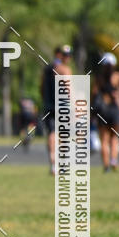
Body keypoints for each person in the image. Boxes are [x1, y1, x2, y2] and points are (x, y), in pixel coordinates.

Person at [92, 52, 119, 171]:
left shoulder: (99, 78)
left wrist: (92, 111)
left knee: (104, 139)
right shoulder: (116, 77)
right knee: (114, 138)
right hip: (114, 109)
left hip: (103, 110)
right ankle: (114, 161)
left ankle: (106, 165)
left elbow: (94, 94)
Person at [41, 44, 73, 174]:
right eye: (66, 55)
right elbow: (68, 88)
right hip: (63, 105)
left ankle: (53, 164)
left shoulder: (46, 69)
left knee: (52, 133)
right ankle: (63, 164)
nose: (68, 58)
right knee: (64, 135)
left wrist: (46, 100)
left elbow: (41, 86)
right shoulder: (64, 69)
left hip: (49, 105)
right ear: (60, 55)